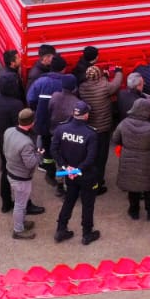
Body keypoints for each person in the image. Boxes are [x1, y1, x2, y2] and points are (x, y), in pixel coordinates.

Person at [52, 101, 102, 244]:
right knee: (88, 204)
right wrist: (77, 169)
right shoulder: (91, 134)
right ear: (86, 115)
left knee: (69, 200)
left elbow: (54, 150)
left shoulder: (61, 129)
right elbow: (91, 157)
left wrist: (65, 167)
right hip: (87, 175)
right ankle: (87, 233)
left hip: (70, 174)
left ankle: (61, 229)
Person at [114, 100, 150, 221]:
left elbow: (115, 139)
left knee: (132, 186)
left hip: (128, 159)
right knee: (148, 188)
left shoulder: (124, 123)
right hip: (146, 161)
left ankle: (134, 211)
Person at [0, 64, 27, 213]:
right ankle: (25, 203)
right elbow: (21, 126)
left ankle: (5, 202)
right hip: (14, 142)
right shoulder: (16, 104)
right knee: (21, 173)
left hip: (0, 139)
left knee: (5, 170)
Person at [78, 64, 124, 186]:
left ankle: (89, 178)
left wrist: (103, 77)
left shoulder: (82, 87)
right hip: (103, 128)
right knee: (101, 157)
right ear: (99, 76)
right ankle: (98, 183)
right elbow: (116, 84)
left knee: (90, 154)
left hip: (89, 127)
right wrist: (119, 71)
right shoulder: (105, 86)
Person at [3, 108, 44, 239]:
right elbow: (31, 163)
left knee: (20, 202)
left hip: (11, 171)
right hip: (21, 178)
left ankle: (21, 222)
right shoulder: (26, 143)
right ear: (32, 122)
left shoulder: (9, 131)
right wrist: (39, 154)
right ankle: (18, 230)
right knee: (20, 205)